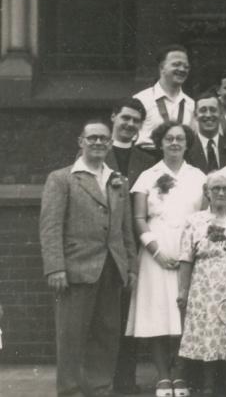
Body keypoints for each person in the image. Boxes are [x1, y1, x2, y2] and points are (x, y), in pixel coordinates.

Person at [40, 120, 137, 397]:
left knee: (107, 334)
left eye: (103, 139)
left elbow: (126, 228)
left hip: (112, 269)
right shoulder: (62, 178)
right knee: (71, 336)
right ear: (80, 141)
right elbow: (50, 227)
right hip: (75, 269)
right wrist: (55, 267)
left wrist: (131, 267)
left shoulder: (118, 180)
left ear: (110, 144)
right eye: (92, 138)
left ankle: (99, 388)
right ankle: (70, 391)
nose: (98, 143)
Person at [126, 122, 206, 397]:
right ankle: (162, 377)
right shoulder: (148, 176)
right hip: (155, 251)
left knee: (185, 317)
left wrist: (191, 254)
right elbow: (138, 218)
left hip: (190, 252)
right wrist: (157, 251)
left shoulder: (198, 176)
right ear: (160, 143)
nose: (174, 143)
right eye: (169, 138)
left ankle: (180, 375)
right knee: (158, 314)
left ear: (187, 144)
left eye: (179, 139)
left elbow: (204, 218)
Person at [176, 172, 226, 394]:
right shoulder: (194, 221)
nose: (221, 193)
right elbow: (185, 258)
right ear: (207, 192)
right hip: (205, 285)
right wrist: (183, 290)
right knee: (209, 330)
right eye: (215, 189)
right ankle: (208, 384)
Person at [104, 99, 156, 395]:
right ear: (114, 117)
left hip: (133, 247)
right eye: (125, 118)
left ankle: (125, 380)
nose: (129, 124)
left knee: (127, 316)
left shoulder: (146, 161)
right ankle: (102, 378)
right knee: (105, 317)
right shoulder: (95, 151)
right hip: (103, 248)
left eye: (136, 120)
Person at [133, 44, 195, 149]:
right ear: (162, 67)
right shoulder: (141, 100)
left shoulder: (191, 104)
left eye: (186, 66)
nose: (182, 69)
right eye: (176, 64)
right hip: (147, 159)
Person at [185, 93, 226, 174]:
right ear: (195, 115)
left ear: (221, 114)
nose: (208, 115)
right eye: (203, 110)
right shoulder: (187, 148)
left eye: (213, 110)